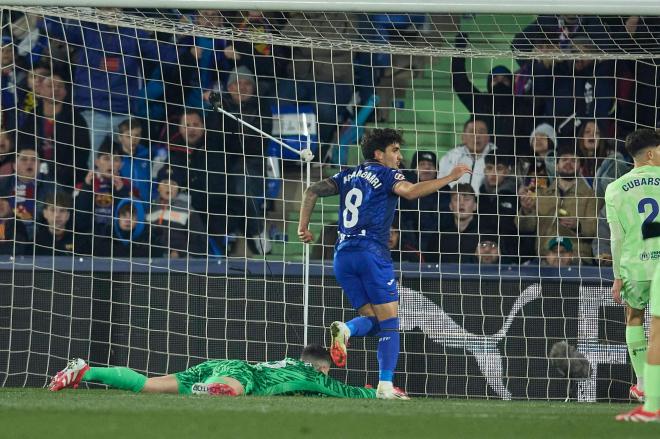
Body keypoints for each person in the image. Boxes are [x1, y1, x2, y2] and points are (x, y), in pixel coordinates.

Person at [297, 128, 470, 398]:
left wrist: (303, 228)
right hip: (371, 253)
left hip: (342, 256)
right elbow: (411, 192)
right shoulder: (387, 174)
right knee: (390, 323)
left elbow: (311, 191)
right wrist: (450, 177)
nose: (399, 157)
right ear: (379, 154)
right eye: (395, 150)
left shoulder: (347, 175)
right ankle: (385, 385)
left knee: (374, 320)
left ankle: (349, 329)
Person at [48, 343, 405, 399]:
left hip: (219, 363)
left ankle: (86, 371)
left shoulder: (282, 363)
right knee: (237, 388)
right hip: (237, 371)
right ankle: (218, 389)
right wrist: (378, 392)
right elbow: (336, 391)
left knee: (148, 386)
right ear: (322, 367)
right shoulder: (309, 373)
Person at [604, 129, 660, 420]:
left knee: (634, 316)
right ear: (650, 154)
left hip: (636, 265)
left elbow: (617, 238)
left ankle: (642, 384)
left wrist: (617, 275)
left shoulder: (615, 188)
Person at [435, 118, 496, 195]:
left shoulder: (497, 157)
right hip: (454, 204)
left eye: (481, 132)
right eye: (472, 132)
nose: (477, 136)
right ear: (463, 137)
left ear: (488, 137)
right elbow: (440, 183)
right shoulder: (450, 157)